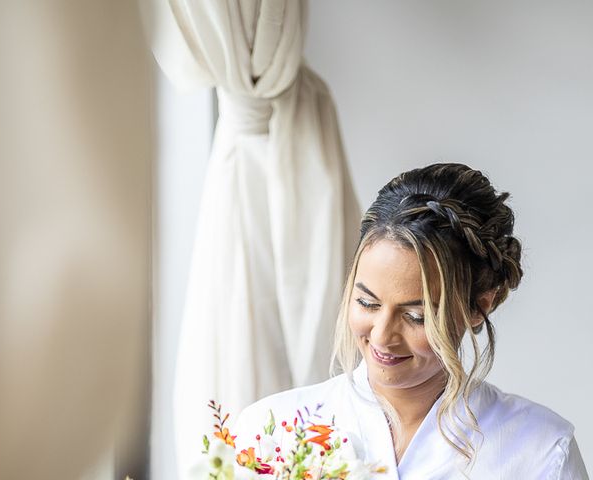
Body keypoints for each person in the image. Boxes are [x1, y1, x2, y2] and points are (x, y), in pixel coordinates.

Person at [233, 163, 589, 479]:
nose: (383, 336)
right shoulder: (271, 430)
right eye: (367, 303)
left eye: (416, 316)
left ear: (478, 307)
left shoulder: (540, 449)